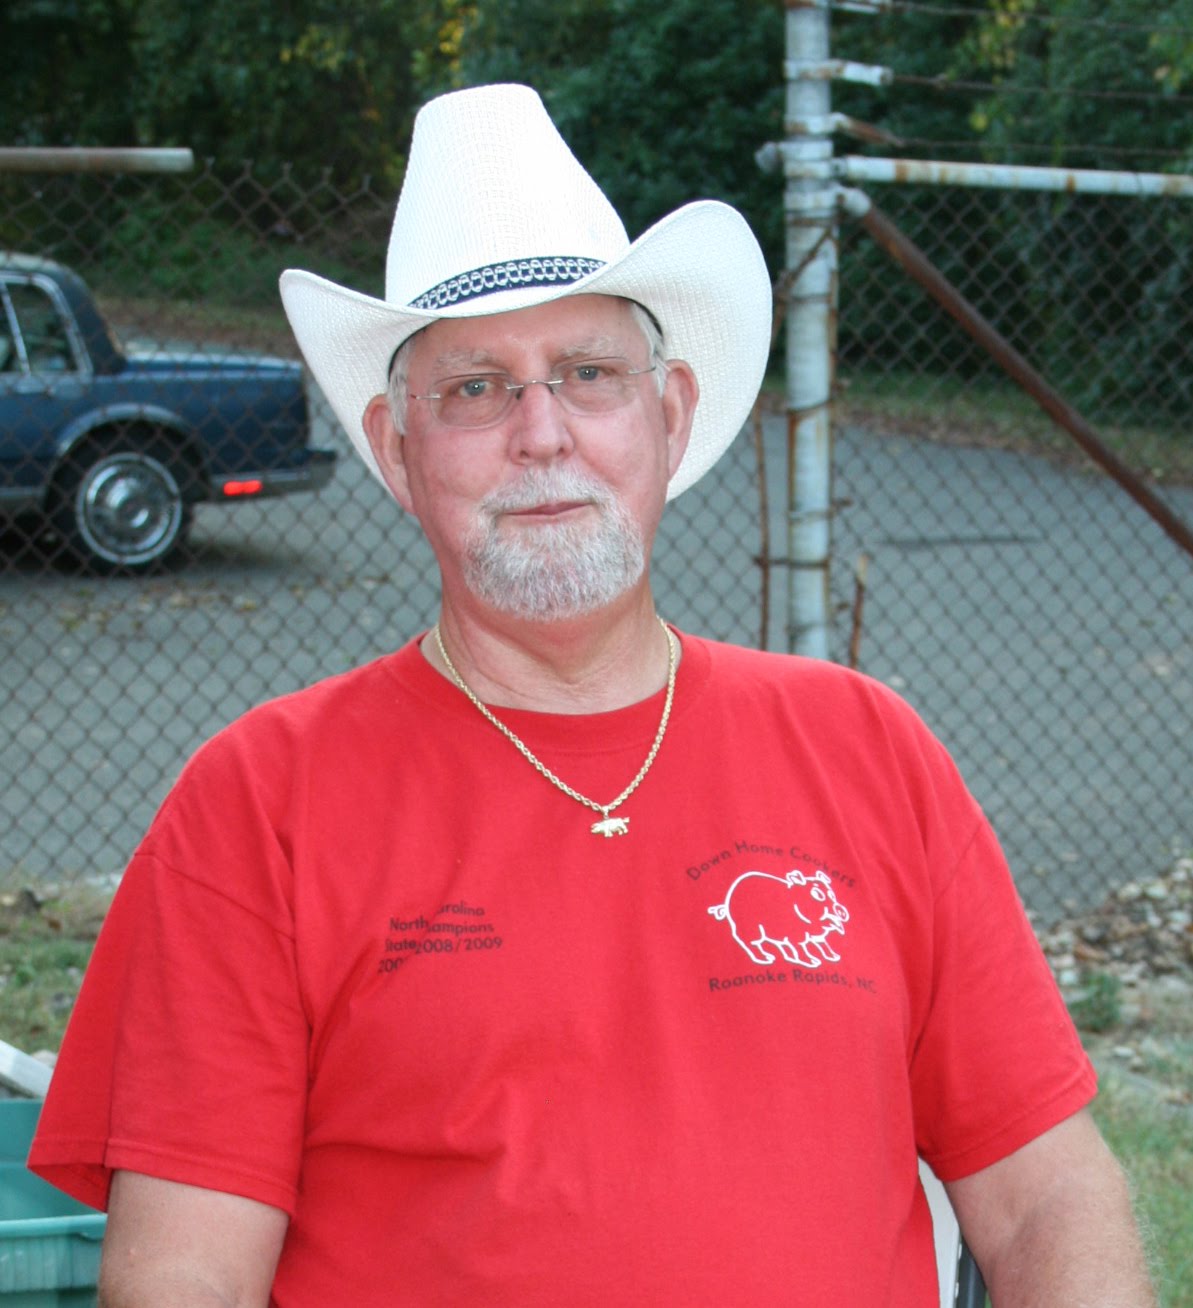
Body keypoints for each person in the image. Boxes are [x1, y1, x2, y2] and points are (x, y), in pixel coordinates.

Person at [29, 83, 1154, 1307]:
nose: (541, 433)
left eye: (587, 373)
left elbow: (1044, 1194)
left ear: (667, 415)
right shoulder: (258, 804)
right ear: (398, 451)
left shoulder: (865, 748)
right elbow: (184, 1273)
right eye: (475, 388)